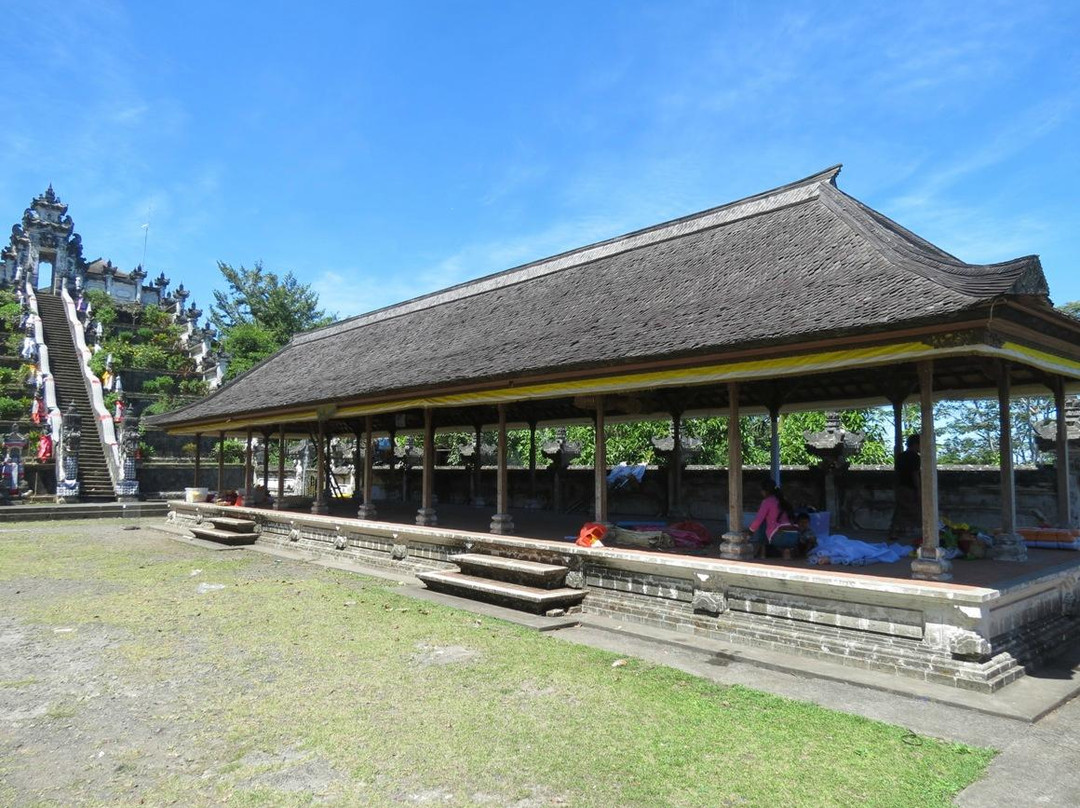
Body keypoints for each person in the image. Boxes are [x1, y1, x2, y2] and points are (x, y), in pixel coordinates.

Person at [747, 477, 795, 557]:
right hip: (794, 536)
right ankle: (787, 550)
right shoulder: (784, 500)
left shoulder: (767, 501)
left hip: (779, 537)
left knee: (763, 524)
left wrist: (750, 532)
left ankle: (763, 552)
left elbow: (758, 520)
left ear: (764, 491)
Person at [889, 433, 922, 544]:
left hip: (900, 486)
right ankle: (925, 532)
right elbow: (915, 474)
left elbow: (897, 473)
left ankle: (894, 531)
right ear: (915, 445)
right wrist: (918, 490)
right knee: (915, 510)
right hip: (910, 487)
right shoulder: (915, 457)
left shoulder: (900, 456)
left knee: (900, 510)